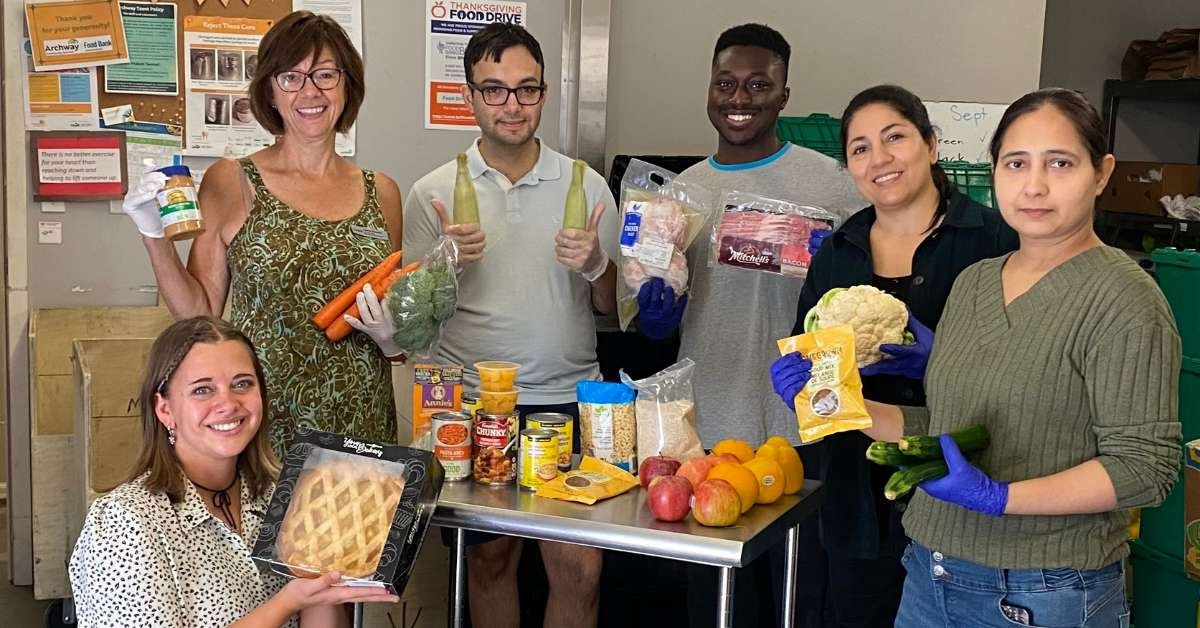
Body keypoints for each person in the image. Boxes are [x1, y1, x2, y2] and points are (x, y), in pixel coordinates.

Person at [779, 88, 1183, 627]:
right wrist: (843, 404)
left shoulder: (1124, 298)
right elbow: (944, 425)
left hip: (1045, 592)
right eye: (1016, 163)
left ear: (1101, 172)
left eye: (1059, 163)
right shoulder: (975, 283)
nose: (1034, 185)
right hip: (929, 575)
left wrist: (999, 497)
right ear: (995, 171)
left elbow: (1144, 467)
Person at [631, 23, 862, 627]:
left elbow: (868, 288)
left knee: (799, 596)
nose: (740, 98)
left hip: (807, 423)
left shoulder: (832, 185)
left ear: (785, 95)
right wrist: (658, 316)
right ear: (708, 90)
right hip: (712, 428)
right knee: (718, 604)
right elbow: (657, 331)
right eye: (726, 83)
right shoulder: (680, 195)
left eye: (759, 84)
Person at [769, 84, 1018, 627]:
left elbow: (1027, 373)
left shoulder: (995, 242)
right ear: (849, 167)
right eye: (860, 148)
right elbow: (809, 353)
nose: (878, 158)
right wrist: (799, 385)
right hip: (857, 498)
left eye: (894, 137)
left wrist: (940, 364)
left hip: (965, 491)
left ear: (930, 145)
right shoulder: (837, 252)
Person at [404, 23, 617, 628]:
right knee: (490, 564)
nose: (512, 105)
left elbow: (610, 305)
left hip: (568, 400)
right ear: (469, 96)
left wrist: (598, 265)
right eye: (494, 91)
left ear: (545, 94)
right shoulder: (433, 192)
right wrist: (444, 262)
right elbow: (413, 326)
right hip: (471, 408)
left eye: (526, 89)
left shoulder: (586, 183)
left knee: (580, 570)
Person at [120, 11, 404, 456]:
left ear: (347, 85)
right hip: (264, 423)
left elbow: (395, 324)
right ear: (270, 91)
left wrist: (395, 339)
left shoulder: (382, 192)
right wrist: (152, 234)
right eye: (291, 77)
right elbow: (198, 313)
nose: (310, 91)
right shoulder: (232, 181)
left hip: (363, 420)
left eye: (326, 74)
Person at [69, 316, 399, 627]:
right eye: (202, 389)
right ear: (165, 409)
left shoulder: (281, 499)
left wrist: (321, 585)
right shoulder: (124, 521)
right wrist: (286, 602)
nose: (228, 403)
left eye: (242, 384)